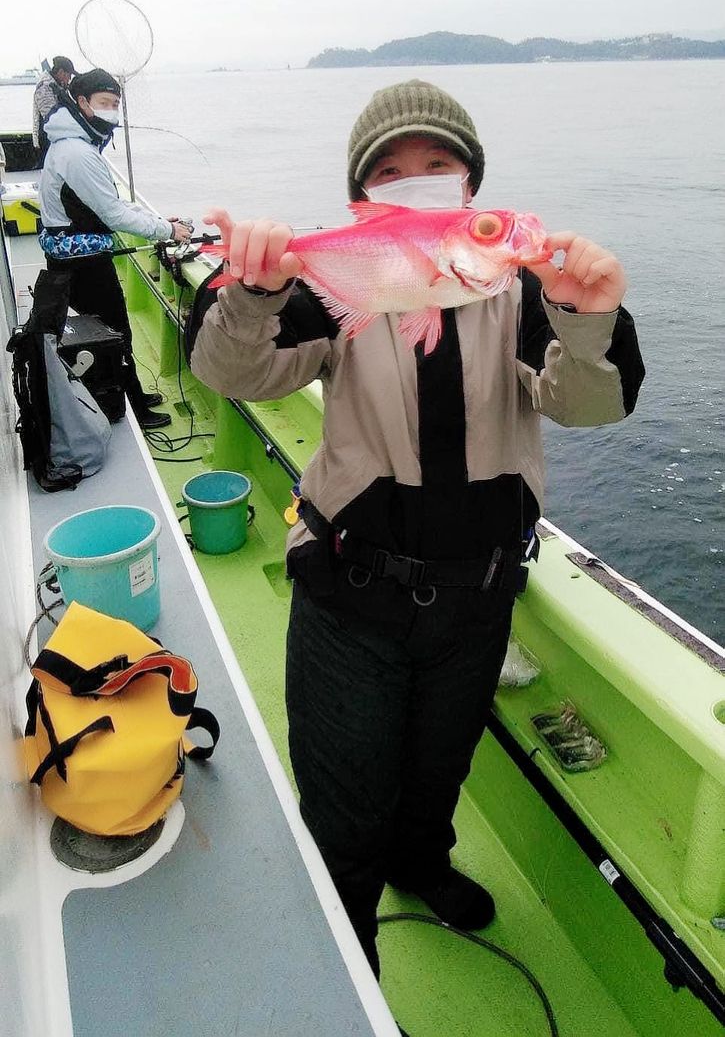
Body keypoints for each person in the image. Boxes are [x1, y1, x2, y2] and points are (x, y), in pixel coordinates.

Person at [189, 79, 645, 977]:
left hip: (475, 598)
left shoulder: (520, 292)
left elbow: (594, 404)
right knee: (344, 793)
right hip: (349, 589)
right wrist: (250, 291)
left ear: (469, 186)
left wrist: (586, 318)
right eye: (391, 171)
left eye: (438, 165)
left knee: (439, 768)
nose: (417, 179)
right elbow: (233, 373)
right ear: (364, 195)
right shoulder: (339, 277)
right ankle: (351, 951)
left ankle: (419, 863)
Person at [39, 67, 193, 430]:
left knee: (110, 328)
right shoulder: (77, 154)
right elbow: (113, 212)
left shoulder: (70, 145)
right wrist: (167, 229)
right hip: (83, 263)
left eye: (115, 104)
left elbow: (106, 206)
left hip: (73, 256)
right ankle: (137, 406)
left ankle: (132, 390)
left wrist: (158, 221)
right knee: (115, 330)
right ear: (82, 103)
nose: (111, 110)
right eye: (104, 103)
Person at [32, 57, 76, 161]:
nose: (69, 79)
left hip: (54, 135)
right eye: (69, 75)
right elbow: (51, 118)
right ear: (61, 72)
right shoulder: (45, 87)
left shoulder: (57, 85)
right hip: (46, 137)